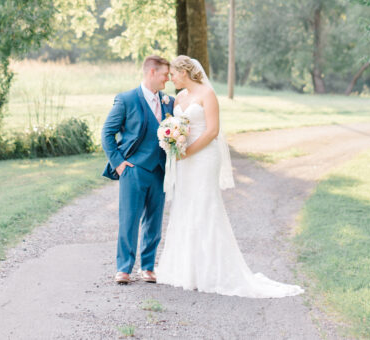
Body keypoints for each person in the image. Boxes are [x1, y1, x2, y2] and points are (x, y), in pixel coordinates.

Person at [156, 55, 304, 298]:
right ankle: (185, 270)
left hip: (203, 158)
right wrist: (174, 142)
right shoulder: (179, 98)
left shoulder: (207, 94)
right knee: (185, 206)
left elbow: (212, 131)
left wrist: (188, 151)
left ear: (184, 72)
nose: (170, 77)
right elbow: (178, 126)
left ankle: (211, 272)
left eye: (173, 73)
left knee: (204, 206)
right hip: (184, 159)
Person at [101, 55, 174, 284]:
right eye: (164, 75)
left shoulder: (169, 102)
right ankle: (124, 268)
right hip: (133, 170)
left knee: (154, 221)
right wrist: (119, 164)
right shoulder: (126, 99)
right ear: (152, 72)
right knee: (129, 219)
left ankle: (148, 266)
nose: (167, 80)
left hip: (159, 170)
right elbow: (107, 133)